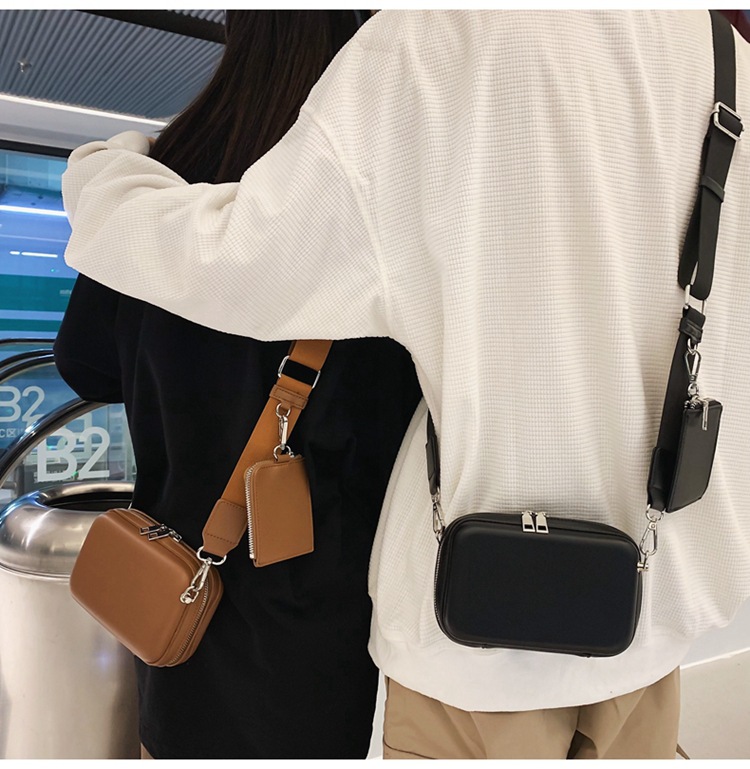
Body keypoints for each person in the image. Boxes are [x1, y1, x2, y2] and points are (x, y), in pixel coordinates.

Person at [61, 10, 750, 760]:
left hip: (470, 636)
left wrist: (105, 177)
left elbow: (227, 263)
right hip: (658, 603)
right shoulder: (730, 62)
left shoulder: (437, 40)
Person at [53, 11, 421, 760]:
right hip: (328, 636)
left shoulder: (155, 183)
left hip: (175, 595)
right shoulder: (380, 205)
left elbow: (85, 363)